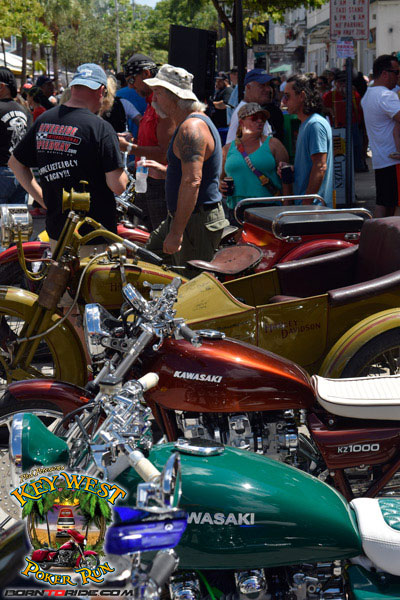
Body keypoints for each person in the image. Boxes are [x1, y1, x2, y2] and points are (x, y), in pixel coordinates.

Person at [9, 62, 127, 250]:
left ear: (73, 88)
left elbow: (15, 164)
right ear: (101, 91)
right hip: (94, 235)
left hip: (57, 232)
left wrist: (43, 199)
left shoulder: (44, 120)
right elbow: (118, 186)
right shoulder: (100, 128)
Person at [136, 64, 229, 270]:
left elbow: (192, 181)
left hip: (195, 221)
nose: (153, 99)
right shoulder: (189, 124)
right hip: (185, 218)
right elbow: (194, 174)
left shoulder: (191, 128)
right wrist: (167, 172)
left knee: (192, 284)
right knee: (147, 261)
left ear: (174, 95)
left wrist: (176, 233)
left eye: (158, 93)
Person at [117, 53, 175, 231]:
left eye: (132, 80)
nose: (130, 85)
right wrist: (132, 140)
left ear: (146, 74)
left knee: (159, 237)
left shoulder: (161, 106)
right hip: (146, 181)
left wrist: (129, 147)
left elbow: (164, 153)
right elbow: (150, 142)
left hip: (159, 184)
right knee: (144, 236)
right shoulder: (151, 104)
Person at [220, 102, 290, 222]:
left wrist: (287, 210)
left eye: (262, 118)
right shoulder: (227, 149)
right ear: (241, 122)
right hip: (237, 210)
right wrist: (221, 186)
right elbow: (220, 178)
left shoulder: (274, 145)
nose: (260, 121)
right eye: (254, 118)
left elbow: (286, 179)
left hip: (269, 208)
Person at [280, 74, 333, 207]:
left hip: (313, 208)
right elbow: (311, 164)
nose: (284, 101)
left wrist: (307, 203)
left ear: (302, 96)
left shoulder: (315, 124)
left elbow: (320, 166)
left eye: (287, 96)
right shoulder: (306, 124)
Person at [361, 54, 400, 217]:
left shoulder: (369, 94)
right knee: (393, 207)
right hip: (393, 160)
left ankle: (375, 233)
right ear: (385, 73)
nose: (398, 76)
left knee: (384, 205)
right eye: (396, 72)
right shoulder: (386, 96)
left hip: (381, 159)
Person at [322, 71, 365, 172]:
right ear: (336, 83)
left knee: (356, 146)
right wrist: (330, 110)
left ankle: (358, 166)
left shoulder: (354, 95)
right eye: (340, 82)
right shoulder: (329, 95)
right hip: (337, 127)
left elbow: (360, 110)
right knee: (339, 151)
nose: (343, 84)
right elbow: (323, 108)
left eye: (345, 82)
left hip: (353, 125)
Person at [0, 67, 30, 204]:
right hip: (21, 172)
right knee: (17, 215)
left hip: (2, 170)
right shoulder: (23, 110)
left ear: (1, 86)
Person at [226, 69, 273, 144]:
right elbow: (232, 146)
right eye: (262, 85)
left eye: (268, 85)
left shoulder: (254, 110)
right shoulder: (244, 113)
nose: (268, 89)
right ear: (248, 87)